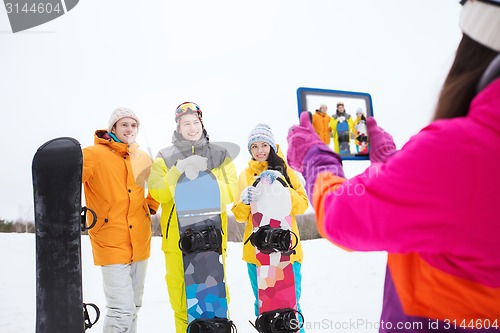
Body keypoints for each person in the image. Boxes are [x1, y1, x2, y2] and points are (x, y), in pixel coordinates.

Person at [286, 1, 500, 332]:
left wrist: (315, 158)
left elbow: (341, 215)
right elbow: (446, 209)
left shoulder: (459, 150)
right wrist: (395, 163)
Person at [147, 102, 238, 333]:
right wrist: (178, 170)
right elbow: (159, 193)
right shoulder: (164, 156)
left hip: (211, 241)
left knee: (215, 301)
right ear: (178, 126)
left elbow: (230, 192)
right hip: (178, 244)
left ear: (201, 123)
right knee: (182, 303)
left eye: (195, 122)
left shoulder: (220, 154)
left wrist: (205, 176)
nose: (191, 127)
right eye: (185, 123)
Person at [82, 107, 159, 333]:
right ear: (113, 127)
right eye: (124, 124)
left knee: (133, 306)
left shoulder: (142, 157)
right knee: (120, 309)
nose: (129, 129)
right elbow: (69, 180)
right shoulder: (93, 154)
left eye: (134, 125)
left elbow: (157, 184)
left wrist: (150, 207)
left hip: (140, 240)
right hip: (110, 239)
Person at [231, 123, 308, 332]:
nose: (260, 151)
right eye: (254, 146)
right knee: (264, 306)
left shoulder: (286, 170)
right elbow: (239, 216)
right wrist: (245, 200)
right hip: (257, 254)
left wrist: (283, 185)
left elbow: (302, 205)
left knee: (290, 306)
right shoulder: (245, 176)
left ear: (272, 146)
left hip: (287, 252)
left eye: (264, 145)